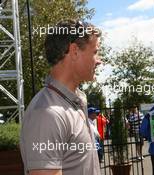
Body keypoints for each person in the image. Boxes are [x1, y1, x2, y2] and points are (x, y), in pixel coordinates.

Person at [20, 19, 102, 175]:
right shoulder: (47, 114)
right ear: (75, 51)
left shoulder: (72, 102)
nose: (99, 60)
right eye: (95, 51)